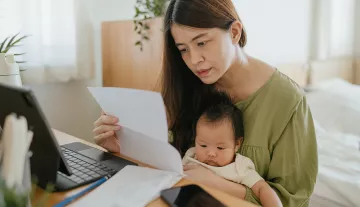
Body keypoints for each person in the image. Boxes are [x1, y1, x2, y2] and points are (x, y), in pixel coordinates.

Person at [93, 0, 318, 206]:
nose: (193, 60)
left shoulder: (288, 101)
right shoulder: (187, 84)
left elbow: (292, 199)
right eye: (183, 49)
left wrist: (218, 183)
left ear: (234, 32)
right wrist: (123, 147)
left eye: (201, 42)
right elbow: (170, 163)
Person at [182, 90, 282, 207]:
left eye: (220, 147)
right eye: (203, 145)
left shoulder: (239, 166)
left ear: (237, 145)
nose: (211, 153)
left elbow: (262, 188)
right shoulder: (191, 155)